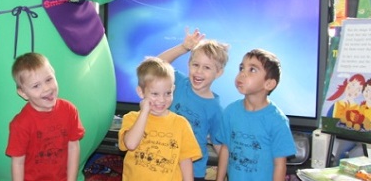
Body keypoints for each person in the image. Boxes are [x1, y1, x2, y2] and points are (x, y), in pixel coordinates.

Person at [157, 28, 229, 180]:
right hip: (163, 162)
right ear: (189, 64)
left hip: (193, 171)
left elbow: (219, 145)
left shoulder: (216, 108)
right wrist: (183, 48)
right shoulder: (178, 83)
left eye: (207, 67)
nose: (199, 72)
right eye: (195, 65)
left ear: (218, 73)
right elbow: (156, 64)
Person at [214, 49, 296, 181]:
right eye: (241, 68)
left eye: (252, 69)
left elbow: (280, 164)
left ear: (268, 83)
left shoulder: (277, 120)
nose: (242, 74)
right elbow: (225, 149)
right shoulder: (230, 111)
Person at [119, 57, 202, 181]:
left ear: (173, 89)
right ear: (141, 92)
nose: (162, 100)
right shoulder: (131, 118)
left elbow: (185, 160)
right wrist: (144, 113)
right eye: (155, 94)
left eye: (167, 93)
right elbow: (130, 144)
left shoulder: (181, 124)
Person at [6, 52, 84, 181]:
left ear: (54, 74)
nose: (47, 89)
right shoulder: (20, 124)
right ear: (23, 93)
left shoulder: (69, 110)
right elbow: (18, 162)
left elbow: (73, 147)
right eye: (36, 86)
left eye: (49, 79)